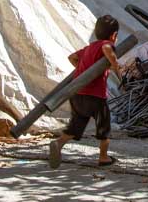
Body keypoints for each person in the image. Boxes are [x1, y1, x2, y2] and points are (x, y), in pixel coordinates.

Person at [49, 14, 122, 169]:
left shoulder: (89, 48)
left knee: (76, 125)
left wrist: (83, 70)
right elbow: (106, 47)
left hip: (77, 93)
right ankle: (103, 157)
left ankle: (58, 143)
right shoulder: (107, 44)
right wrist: (115, 64)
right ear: (114, 35)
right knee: (104, 127)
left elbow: (72, 57)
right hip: (95, 96)